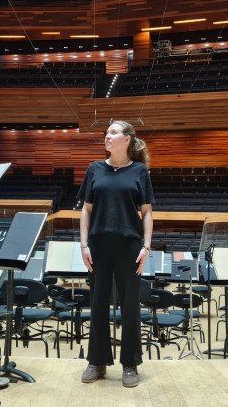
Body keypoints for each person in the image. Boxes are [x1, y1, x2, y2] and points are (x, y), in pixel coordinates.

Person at [78, 120, 154, 388]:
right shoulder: (95, 169)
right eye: (106, 132)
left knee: (130, 305)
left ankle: (130, 364)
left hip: (130, 247)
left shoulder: (139, 172)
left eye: (113, 132)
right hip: (97, 245)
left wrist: (146, 246)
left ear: (127, 139)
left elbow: (146, 213)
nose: (107, 136)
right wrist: (83, 244)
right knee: (97, 303)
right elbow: (86, 209)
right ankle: (97, 362)